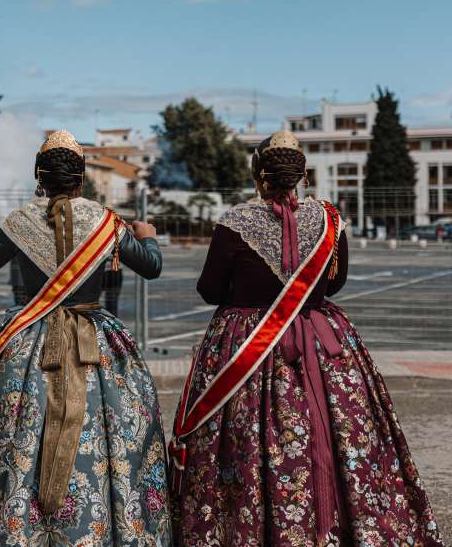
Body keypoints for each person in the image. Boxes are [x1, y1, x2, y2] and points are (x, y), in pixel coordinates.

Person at [169, 132, 443, 546]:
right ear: (302, 175)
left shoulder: (234, 223)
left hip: (247, 345)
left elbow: (209, 290)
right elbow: (335, 283)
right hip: (319, 339)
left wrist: (248, 294)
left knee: (241, 441)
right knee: (336, 429)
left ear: (259, 175)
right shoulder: (329, 220)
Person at [0, 131, 172, 545]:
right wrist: (147, 234)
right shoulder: (106, 223)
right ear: (81, 178)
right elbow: (151, 267)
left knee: (15, 435)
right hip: (94, 342)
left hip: (27, 343)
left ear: (39, 178)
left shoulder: (19, 222)